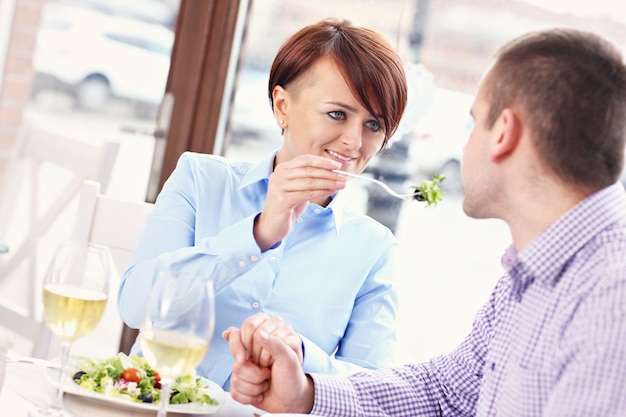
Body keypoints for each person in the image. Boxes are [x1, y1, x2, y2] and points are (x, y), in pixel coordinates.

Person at [224, 27, 626, 415]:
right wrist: (306, 395)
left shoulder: (611, 298)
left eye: (472, 123)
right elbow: (444, 395)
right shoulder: (529, 275)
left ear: (503, 134)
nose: (464, 144)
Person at [117, 18, 408, 390]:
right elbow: (135, 305)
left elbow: (371, 388)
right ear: (282, 105)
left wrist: (301, 353)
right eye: (338, 114)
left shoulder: (374, 249)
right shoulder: (200, 179)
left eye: (374, 125)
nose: (354, 141)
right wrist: (257, 233)